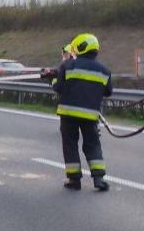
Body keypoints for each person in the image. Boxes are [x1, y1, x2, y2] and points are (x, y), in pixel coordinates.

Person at [52, 33, 112, 191]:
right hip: (90, 115)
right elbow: (108, 92)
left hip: (68, 115)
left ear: (79, 47)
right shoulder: (104, 70)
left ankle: (74, 180)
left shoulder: (68, 65)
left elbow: (58, 87)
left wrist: (51, 78)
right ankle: (99, 179)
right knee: (92, 145)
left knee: (70, 145)